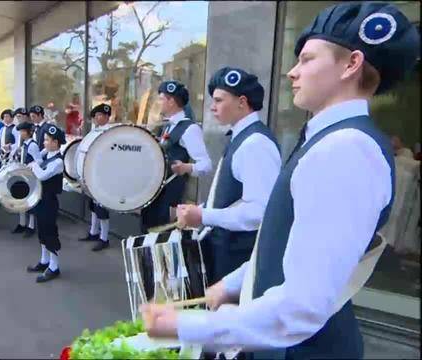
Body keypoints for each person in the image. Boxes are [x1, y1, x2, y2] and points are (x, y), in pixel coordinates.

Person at [141, 4, 419, 360]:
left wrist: (183, 326)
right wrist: (231, 285)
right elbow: (282, 242)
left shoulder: (346, 148)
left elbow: (302, 306)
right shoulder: (330, 139)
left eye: (306, 59)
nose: (291, 72)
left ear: (351, 64)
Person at [176, 67, 282, 287]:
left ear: (241, 102)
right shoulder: (242, 137)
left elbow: (259, 212)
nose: (212, 107)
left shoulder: (255, 144)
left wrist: (204, 216)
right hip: (226, 252)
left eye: (219, 100)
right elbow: (235, 196)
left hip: (236, 257)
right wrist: (201, 208)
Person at [140, 81, 212, 233]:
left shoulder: (189, 129)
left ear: (171, 101)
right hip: (155, 194)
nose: (158, 103)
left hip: (170, 195)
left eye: (161, 99)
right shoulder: (167, 125)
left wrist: (187, 167)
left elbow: (206, 164)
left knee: (162, 239)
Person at [26, 124, 66, 283]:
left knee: (50, 232)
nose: (44, 143)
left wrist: (35, 165)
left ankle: (54, 267)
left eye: (47, 140)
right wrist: (35, 161)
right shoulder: (47, 154)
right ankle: (44, 261)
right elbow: (36, 160)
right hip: (40, 198)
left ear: (56, 142)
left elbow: (42, 175)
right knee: (42, 231)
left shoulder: (58, 161)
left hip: (49, 200)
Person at [78, 103, 113, 251]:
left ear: (106, 116)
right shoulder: (95, 132)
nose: (96, 118)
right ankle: (94, 231)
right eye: (95, 116)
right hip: (92, 173)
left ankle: (104, 238)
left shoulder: (110, 133)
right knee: (93, 205)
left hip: (104, 174)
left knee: (102, 207)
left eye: (99, 115)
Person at [11, 121, 42, 237]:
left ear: (29, 132)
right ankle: (22, 224)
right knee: (21, 200)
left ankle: (31, 226)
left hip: (30, 176)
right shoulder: (24, 145)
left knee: (30, 202)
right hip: (23, 175)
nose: (21, 134)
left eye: (23, 131)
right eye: (20, 131)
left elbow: (39, 161)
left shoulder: (32, 145)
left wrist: (30, 165)